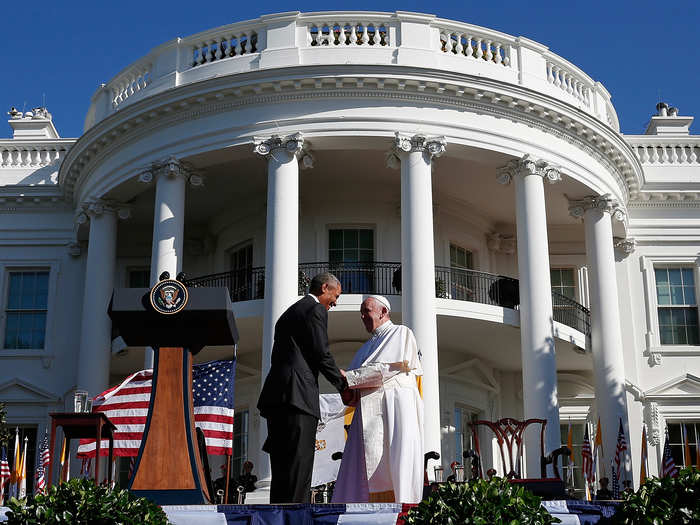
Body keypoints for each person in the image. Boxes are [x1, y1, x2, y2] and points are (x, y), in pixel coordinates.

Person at [257, 272, 347, 503]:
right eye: (335, 296)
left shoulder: (287, 314)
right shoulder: (315, 310)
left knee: (281, 468)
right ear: (325, 288)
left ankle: (279, 515)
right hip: (298, 398)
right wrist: (342, 384)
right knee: (299, 465)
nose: (335, 303)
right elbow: (321, 352)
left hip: (277, 398)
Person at [332, 295, 424, 504]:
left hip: (394, 407)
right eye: (361, 313)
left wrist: (350, 378)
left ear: (383, 312)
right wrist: (347, 391)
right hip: (366, 414)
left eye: (367, 311)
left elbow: (387, 368)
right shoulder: (363, 349)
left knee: (396, 462)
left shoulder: (401, 332)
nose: (363, 316)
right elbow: (353, 390)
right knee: (362, 470)